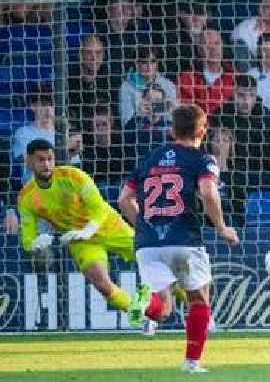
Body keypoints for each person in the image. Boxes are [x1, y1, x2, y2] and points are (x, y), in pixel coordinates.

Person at [118, 103, 240, 374]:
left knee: (161, 310)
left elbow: (124, 199)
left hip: (148, 244)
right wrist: (222, 228)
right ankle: (191, 362)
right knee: (199, 299)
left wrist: (144, 225)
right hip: (184, 240)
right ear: (203, 130)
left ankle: (142, 302)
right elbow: (208, 193)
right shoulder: (202, 159)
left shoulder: (149, 159)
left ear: (172, 130)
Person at [18, 139, 140, 318]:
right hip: (78, 239)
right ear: (28, 161)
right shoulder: (26, 198)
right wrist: (35, 244)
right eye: (40, 160)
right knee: (103, 285)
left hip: (108, 225)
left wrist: (89, 229)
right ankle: (142, 318)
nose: (46, 164)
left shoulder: (74, 176)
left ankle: (188, 302)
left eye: (50, 159)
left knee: (152, 260)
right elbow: (27, 239)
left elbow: (98, 208)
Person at [178, 28, 237, 117]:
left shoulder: (236, 77)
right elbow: (186, 114)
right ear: (198, 49)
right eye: (207, 44)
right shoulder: (186, 79)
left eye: (217, 43)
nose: (213, 48)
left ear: (222, 46)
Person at [67, 35, 120, 131]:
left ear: (104, 56)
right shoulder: (69, 82)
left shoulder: (111, 80)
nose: (94, 58)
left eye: (98, 53)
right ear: (80, 55)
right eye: (89, 53)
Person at [119, 45, 178, 128]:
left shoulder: (168, 85)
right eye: (144, 62)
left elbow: (175, 118)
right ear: (136, 63)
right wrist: (140, 113)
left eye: (153, 61)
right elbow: (125, 121)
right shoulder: (126, 87)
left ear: (157, 63)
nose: (149, 66)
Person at [123, 83, 173, 159]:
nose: (153, 103)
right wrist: (138, 115)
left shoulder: (170, 126)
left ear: (163, 102)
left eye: (157, 100)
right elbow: (124, 141)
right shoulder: (136, 123)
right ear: (143, 101)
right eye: (149, 99)